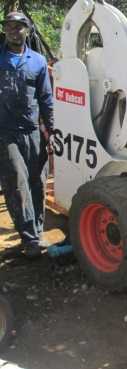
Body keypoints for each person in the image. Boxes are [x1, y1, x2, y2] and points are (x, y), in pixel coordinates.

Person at [0, 12, 54, 258]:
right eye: (8, 26)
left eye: (18, 27)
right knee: (17, 183)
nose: (12, 30)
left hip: (33, 132)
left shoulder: (38, 62)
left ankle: (37, 231)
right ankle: (30, 239)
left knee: (38, 183)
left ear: (28, 30)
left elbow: (45, 98)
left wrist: (51, 130)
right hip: (6, 133)